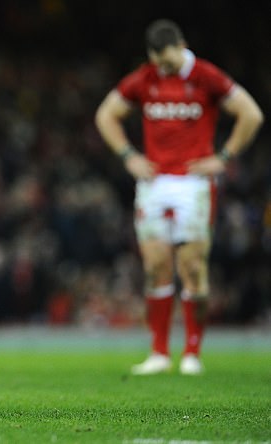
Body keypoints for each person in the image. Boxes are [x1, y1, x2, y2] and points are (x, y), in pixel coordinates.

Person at [95, 19, 264, 375]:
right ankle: (159, 352)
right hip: (154, 183)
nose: (166, 68)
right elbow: (106, 114)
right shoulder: (146, 77)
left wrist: (224, 157)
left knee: (191, 268)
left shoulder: (206, 76)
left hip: (193, 183)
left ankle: (192, 352)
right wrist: (128, 156)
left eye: (170, 61)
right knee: (156, 267)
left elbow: (251, 113)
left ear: (182, 45)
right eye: (160, 62)